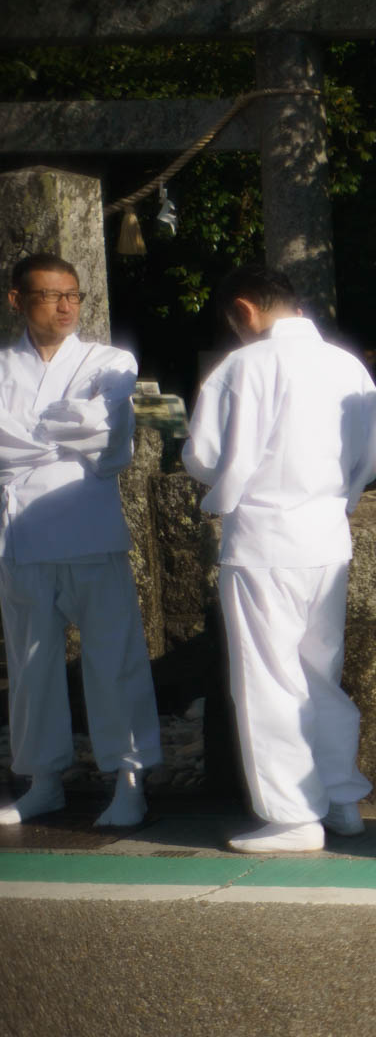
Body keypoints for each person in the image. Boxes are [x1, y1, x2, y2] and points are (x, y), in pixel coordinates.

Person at [182, 265, 376, 852]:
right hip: (325, 533)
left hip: (265, 536)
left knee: (269, 678)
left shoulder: (241, 367)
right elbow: (369, 459)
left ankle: (294, 815)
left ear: (244, 311)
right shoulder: (348, 366)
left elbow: (203, 456)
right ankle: (340, 795)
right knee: (319, 672)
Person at [0, 252, 161, 827]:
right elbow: (57, 433)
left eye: (74, 295)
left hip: (90, 527)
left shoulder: (109, 359)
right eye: (51, 295)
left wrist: (35, 436)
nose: (67, 306)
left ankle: (130, 777)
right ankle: (42, 778)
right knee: (31, 662)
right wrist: (63, 435)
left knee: (113, 658)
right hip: (20, 535)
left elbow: (104, 429)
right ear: (17, 299)